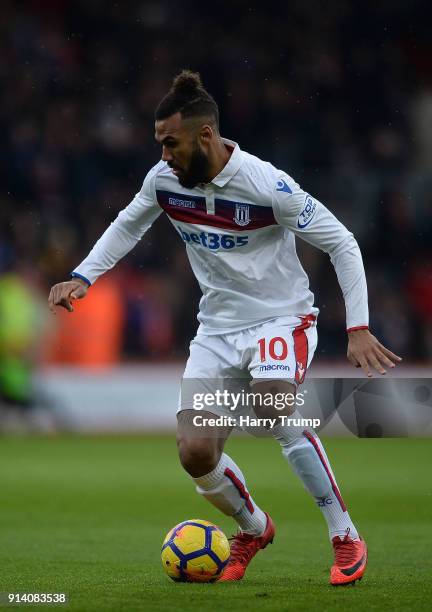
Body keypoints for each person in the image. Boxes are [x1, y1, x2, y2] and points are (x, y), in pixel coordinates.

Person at [48, 71, 402, 585]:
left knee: (272, 402)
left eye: (171, 143)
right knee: (194, 452)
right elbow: (128, 223)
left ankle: (343, 532)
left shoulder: (267, 185)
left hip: (281, 316)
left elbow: (342, 242)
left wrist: (359, 327)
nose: (164, 155)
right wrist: (83, 276)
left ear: (206, 135)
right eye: (159, 144)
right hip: (216, 329)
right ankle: (253, 527)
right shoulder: (163, 181)